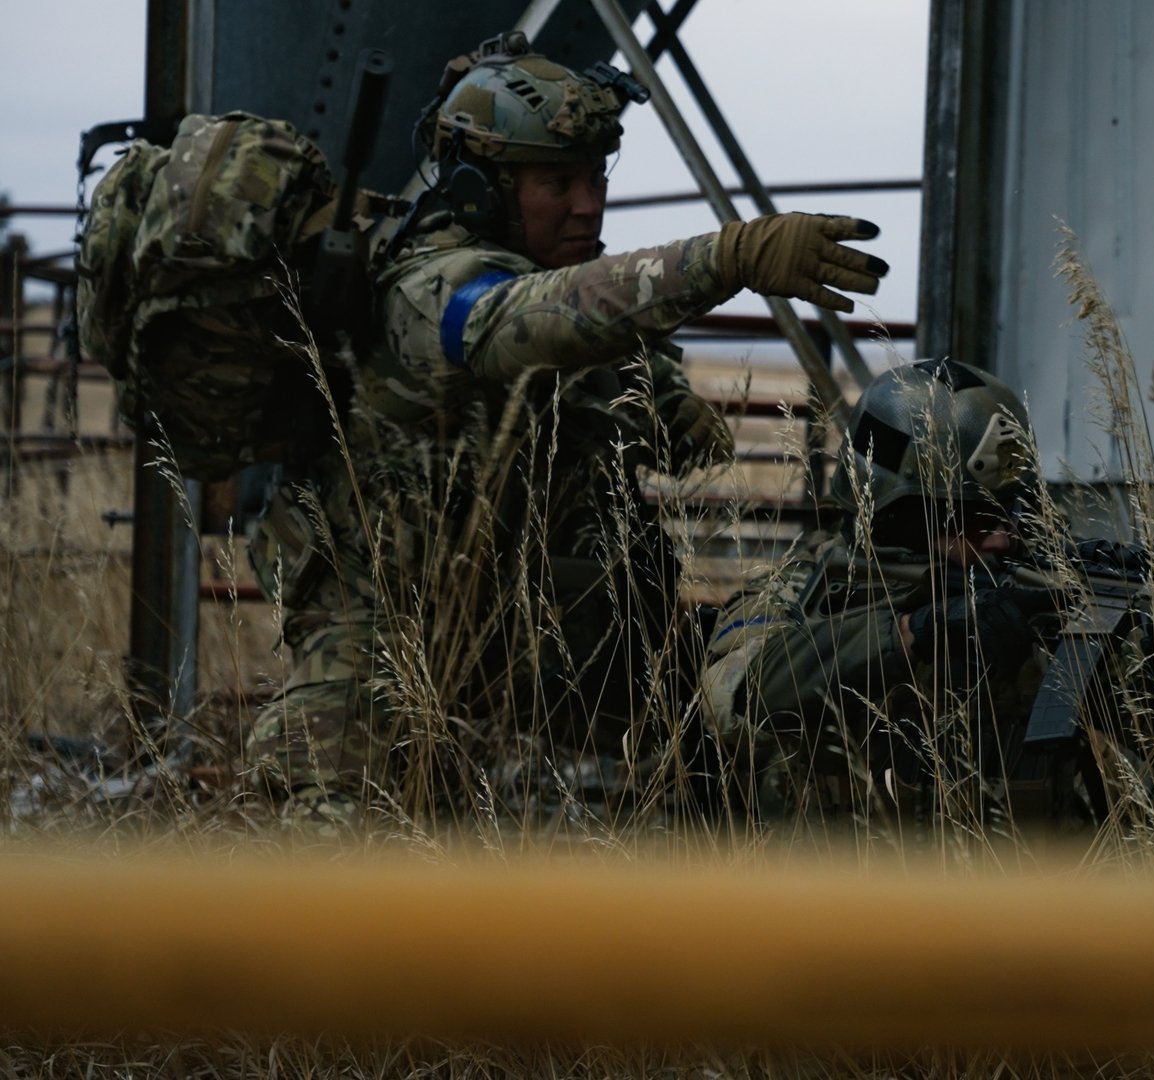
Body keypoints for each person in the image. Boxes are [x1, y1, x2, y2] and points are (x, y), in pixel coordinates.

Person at [246, 32, 888, 826]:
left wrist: (652, 401)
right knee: (346, 871)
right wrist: (729, 258)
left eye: (595, 178)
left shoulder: (565, 295)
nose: (588, 204)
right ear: (480, 190)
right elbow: (517, 322)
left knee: (746, 737)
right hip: (385, 638)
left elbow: (629, 386)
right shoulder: (430, 288)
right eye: (557, 181)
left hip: (527, 631)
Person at [698, 359, 1154, 838]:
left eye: (1010, 512)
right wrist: (921, 630)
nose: (1002, 537)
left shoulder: (1032, 595)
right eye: (975, 516)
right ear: (899, 513)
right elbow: (732, 701)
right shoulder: (800, 584)